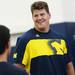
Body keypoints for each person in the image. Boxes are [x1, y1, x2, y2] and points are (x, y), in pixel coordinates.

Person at [14, 1, 75, 75]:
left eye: (42, 14)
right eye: (36, 15)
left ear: (49, 15)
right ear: (32, 17)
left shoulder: (61, 39)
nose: (39, 18)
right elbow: (18, 69)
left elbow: (69, 66)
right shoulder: (24, 40)